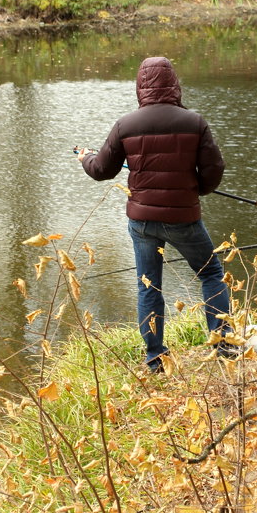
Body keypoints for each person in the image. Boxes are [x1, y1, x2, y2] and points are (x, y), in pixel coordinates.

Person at [77, 57, 234, 373]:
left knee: (149, 286)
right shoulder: (195, 122)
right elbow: (214, 168)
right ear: (174, 83)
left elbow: (101, 170)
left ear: (140, 86)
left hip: (143, 222)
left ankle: (155, 359)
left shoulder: (126, 125)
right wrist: (197, 190)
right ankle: (224, 347)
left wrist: (85, 157)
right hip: (185, 218)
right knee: (211, 275)